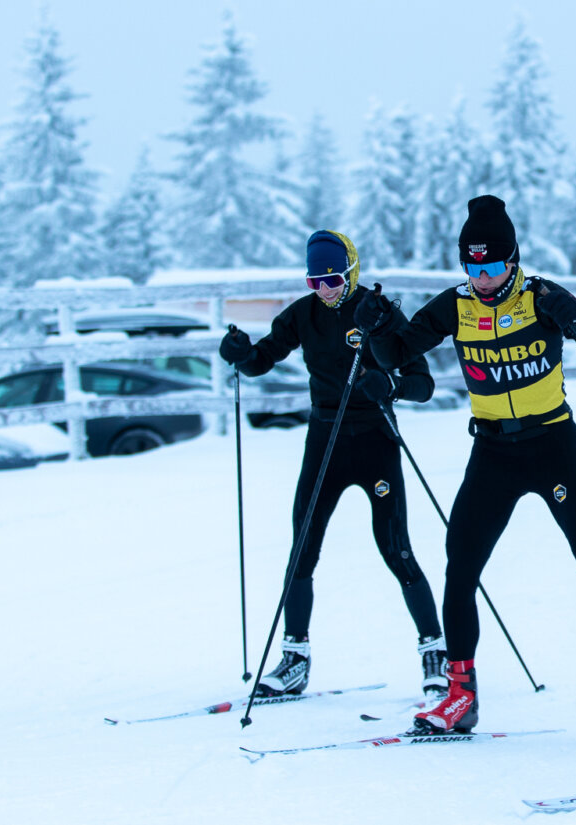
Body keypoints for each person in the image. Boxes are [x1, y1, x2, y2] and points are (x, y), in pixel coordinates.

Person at [352, 194, 576, 735]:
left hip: (554, 445)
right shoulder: (454, 305)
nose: (481, 278)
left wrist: (575, 316)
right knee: (459, 569)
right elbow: (395, 354)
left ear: (513, 259)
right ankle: (461, 694)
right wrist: (379, 324)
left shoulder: (542, 297)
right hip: (493, 453)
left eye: (491, 266)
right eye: (471, 266)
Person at [219, 230, 449, 699]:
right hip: (325, 438)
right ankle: (295, 659)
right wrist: (242, 356)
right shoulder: (303, 315)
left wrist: (391, 388)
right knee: (302, 546)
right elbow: (262, 359)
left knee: (395, 548)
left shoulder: (377, 311)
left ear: (352, 270)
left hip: (376, 438)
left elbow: (422, 382)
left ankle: (435, 652)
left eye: (334, 278)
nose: (326, 290)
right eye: (315, 281)